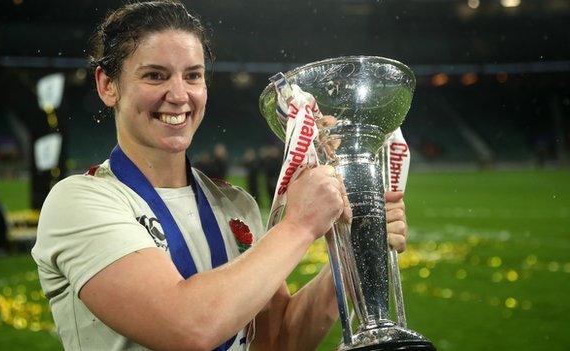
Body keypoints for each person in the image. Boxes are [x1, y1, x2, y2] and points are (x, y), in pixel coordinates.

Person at [31, 1, 409, 350]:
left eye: (192, 76)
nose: (179, 95)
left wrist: (352, 254)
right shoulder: (79, 202)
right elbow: (188, 326)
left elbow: (278, 340)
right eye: (155, 76)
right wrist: (299, 225)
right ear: (107, 85)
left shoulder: (235, 204)